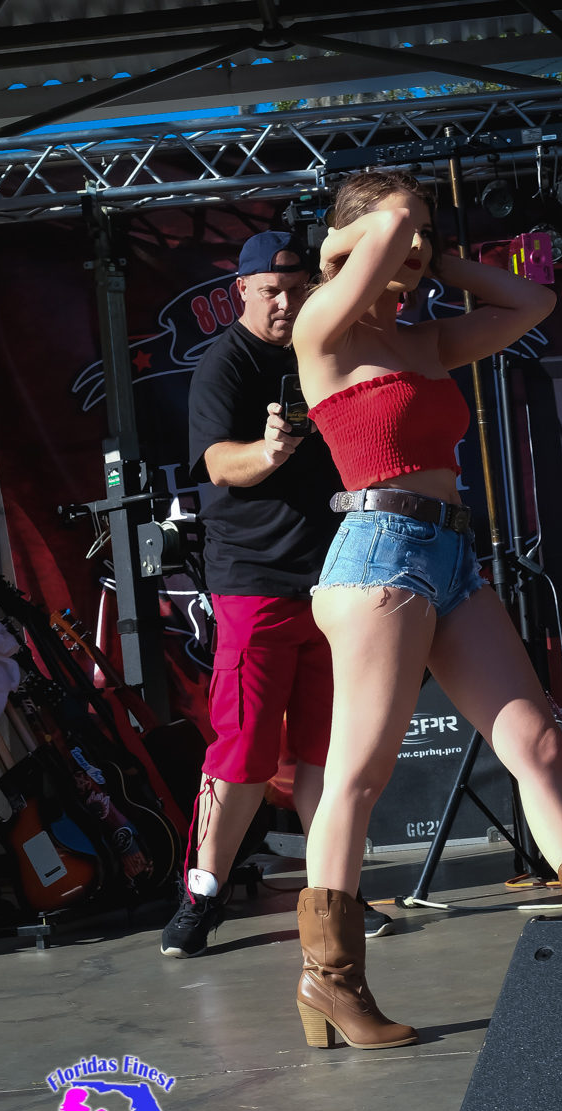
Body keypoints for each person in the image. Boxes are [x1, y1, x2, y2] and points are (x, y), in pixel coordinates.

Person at [291, 170, 562, 1050]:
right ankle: (329, 981)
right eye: (401, 237)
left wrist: (438, 259)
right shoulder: (323, 325)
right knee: (359, 775)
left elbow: (533, 301)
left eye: (426, 239)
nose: (413, 250)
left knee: (539, 746)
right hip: (378, 552)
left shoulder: (426, 340)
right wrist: (362, 240)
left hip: (451, 555)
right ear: (353, 241)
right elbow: (389, 223)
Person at [161, 229, 393, 958]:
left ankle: (335, 895)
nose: (286, 304)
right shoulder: (225, 364)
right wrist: (267, 450)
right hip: (255, 583)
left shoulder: (323, 350)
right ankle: (202, 894)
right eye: (271, 292)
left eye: (297, 290)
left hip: (335, 580)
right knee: (245, 750)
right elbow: (216, 465)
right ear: (242, 291)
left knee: (330, 751)